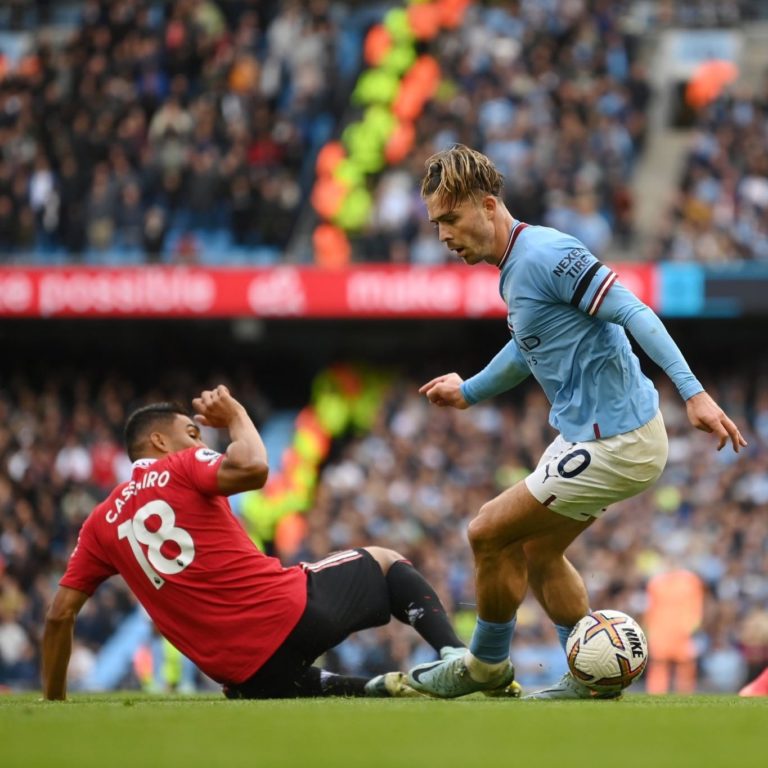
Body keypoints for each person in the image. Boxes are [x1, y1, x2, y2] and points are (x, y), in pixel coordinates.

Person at [405, 145, 746, 700]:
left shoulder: (545, 254)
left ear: (488, 205)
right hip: (595, 438)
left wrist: (695, 393)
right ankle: (591, 678)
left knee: (487, 531)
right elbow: (526, 348)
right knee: (538, 552)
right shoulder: (514, 270)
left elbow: (633, 309)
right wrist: (468, 391)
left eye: (450, 218)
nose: (443, 235)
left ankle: (486, 664)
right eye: (436, 223)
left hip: (618, 440)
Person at [42, 385, 500, 700]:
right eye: (193, 433)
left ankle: (375, 688)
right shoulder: (180, 465)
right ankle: (459, 656)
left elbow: (60, 615)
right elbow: (256, 469)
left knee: (279, 681)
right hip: (287, 614)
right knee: (384, 560)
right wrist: (237, 414)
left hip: (241, 673)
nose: (200, 439)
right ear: (160, 441)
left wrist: (55, 700)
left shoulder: (99, 523)